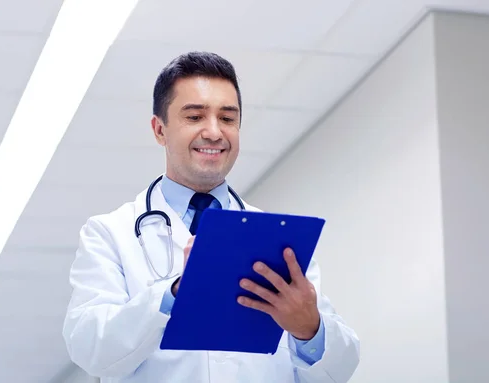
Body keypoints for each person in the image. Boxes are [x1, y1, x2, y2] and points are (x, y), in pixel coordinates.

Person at [62, 51, 360, 383]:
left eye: (228, 118)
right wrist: (174, 293)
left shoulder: (281, 239)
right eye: (194, 117)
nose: (215, 132)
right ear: (159, 130)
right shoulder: (109, 234)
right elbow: (90, 350)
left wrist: (310, 329)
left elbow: (339, 370)